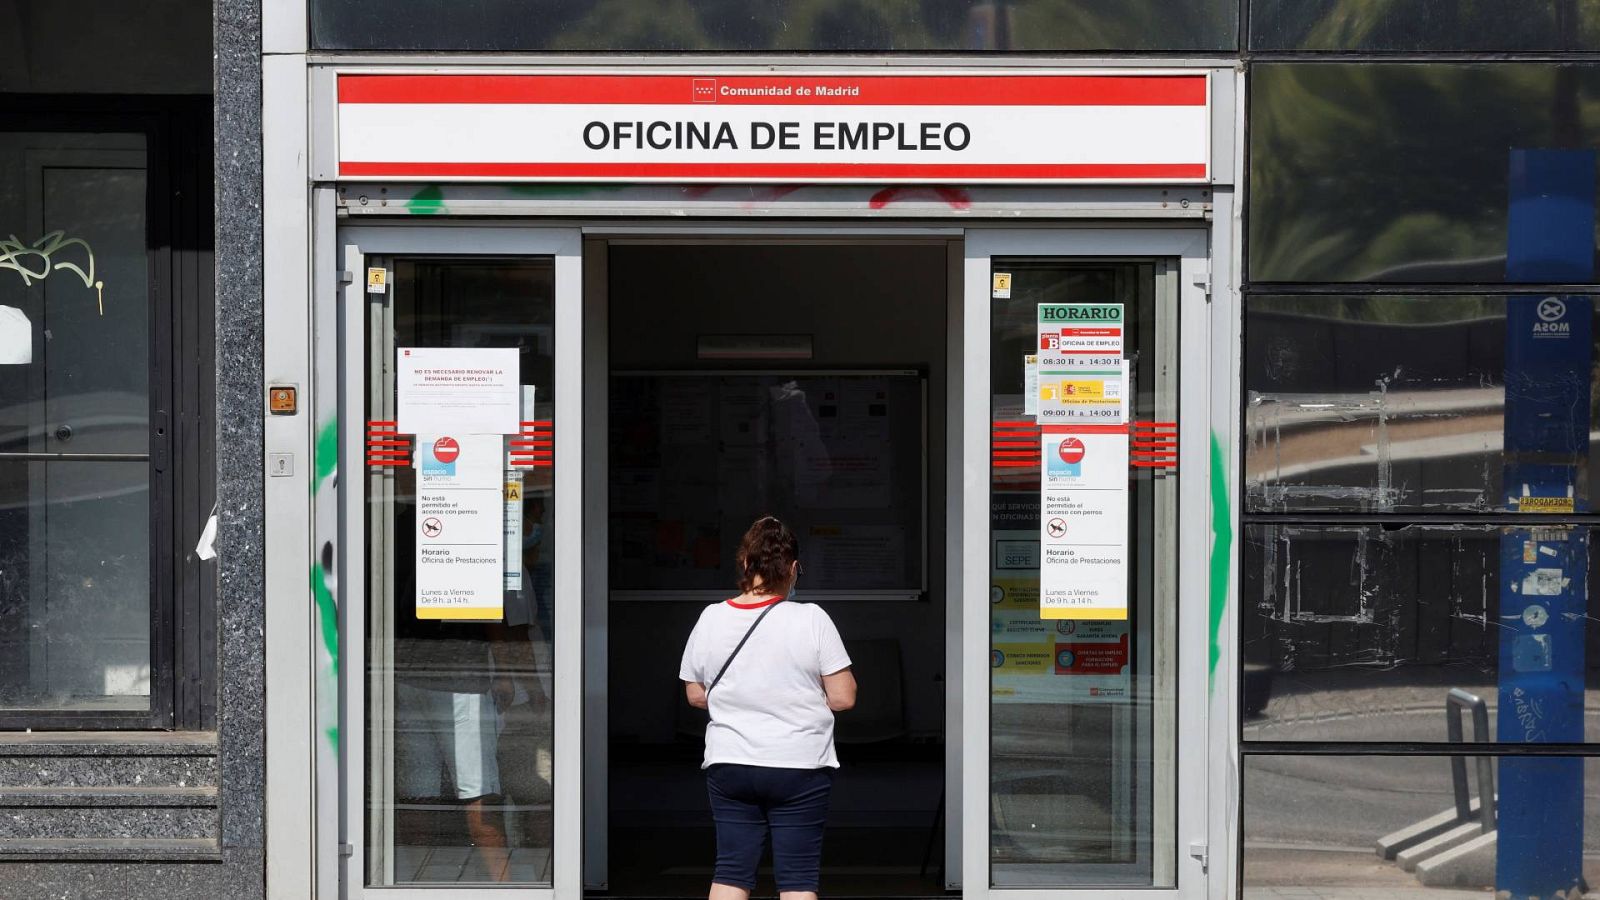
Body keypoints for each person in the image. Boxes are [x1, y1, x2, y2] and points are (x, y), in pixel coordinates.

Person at [679, 516, 858, 900]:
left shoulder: (711, 617)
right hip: (799, 765)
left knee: (730, 872)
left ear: (745, 564)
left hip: (731, 763)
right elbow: (843, 697)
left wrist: (742, 697)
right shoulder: (812, 619)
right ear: (793, 569)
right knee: (797, 879)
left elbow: (695, 693)